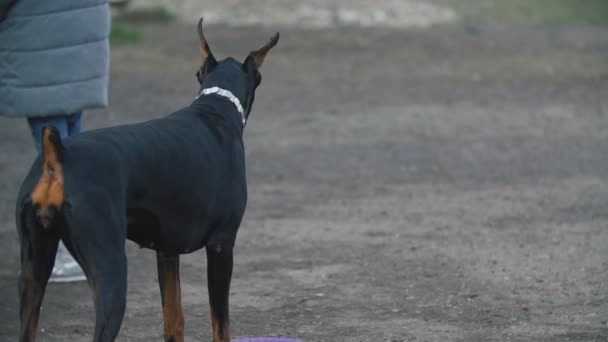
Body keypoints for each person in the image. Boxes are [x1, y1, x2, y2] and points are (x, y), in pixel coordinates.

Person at [0, 0, 111, 282]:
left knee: (53, 151)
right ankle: (84, 243)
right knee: (73, 144)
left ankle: (62, 247)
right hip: (84, 28)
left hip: (39, 35)